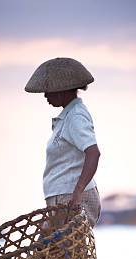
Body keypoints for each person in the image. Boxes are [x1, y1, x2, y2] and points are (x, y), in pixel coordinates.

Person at [25, 58, 101, 227]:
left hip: (70, 196)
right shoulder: (68, 116)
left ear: (62, 91)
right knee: (48, 249)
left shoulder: (75, 116)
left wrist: (77, 192)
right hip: (63, 196)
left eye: (49, 91)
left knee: (60, 249)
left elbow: (93, 153)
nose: (45, 96)